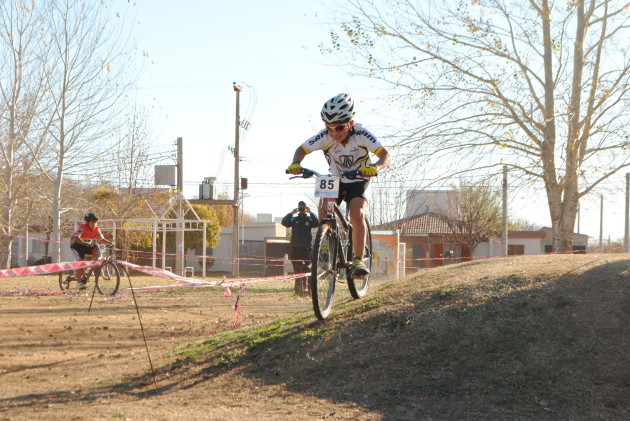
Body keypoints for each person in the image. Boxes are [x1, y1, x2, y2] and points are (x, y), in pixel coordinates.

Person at [287, 93, 392, 277]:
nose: (334, 133)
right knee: (323, 208)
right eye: (329, 128)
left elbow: (385, 155)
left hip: (360, 178)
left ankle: (359, 259)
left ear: (350, 123)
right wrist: (296, 163)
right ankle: (327, 242)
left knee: (356, 212)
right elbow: (301, 150)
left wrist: (375, 167)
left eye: (339, 128)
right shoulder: (324, 136)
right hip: (335, 178)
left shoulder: (362, 134)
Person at [281, 200, 319, 296]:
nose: (302, 209)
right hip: (295, 247)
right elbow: (284, 222)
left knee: (307, 269)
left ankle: (308, 289)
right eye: (300, 207)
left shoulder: (309, 219)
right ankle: (297, 289)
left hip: (306, 247)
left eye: (303, 207)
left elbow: (317, 223)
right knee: (296, 269)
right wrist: (291, 213)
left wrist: (311, 213)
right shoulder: (294, 219)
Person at [70, 212, 113, 289]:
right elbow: (76, 237)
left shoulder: (96, 228)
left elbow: (101, 239)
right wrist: (84, 243)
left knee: (97, 250)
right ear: (87, 222)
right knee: (81, 263)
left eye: (95, 222)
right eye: (92, 222)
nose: (94, 224)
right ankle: (79, 283)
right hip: (76, 246)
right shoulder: (82, 227)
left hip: (86, 245)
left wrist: (109, 242)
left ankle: (87, 267)